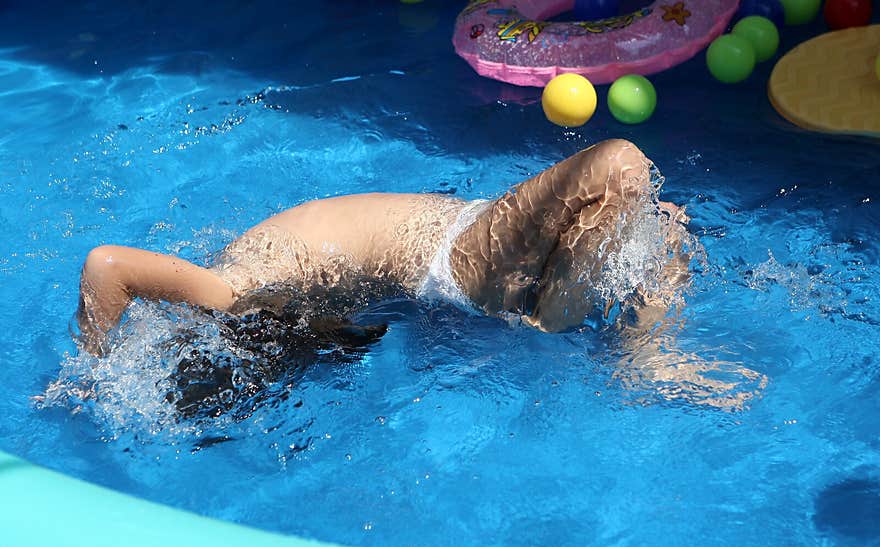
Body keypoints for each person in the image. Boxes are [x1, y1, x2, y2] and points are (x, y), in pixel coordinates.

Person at [77, 139, 687, 350]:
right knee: (621, 166)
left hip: (467, 247)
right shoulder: (238, 288)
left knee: (659, 230)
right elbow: (107, 264)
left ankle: (629, 349)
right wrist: (93, 369)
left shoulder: (260, 288)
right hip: (458, 255)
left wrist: (101, 354)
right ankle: (559, 331)